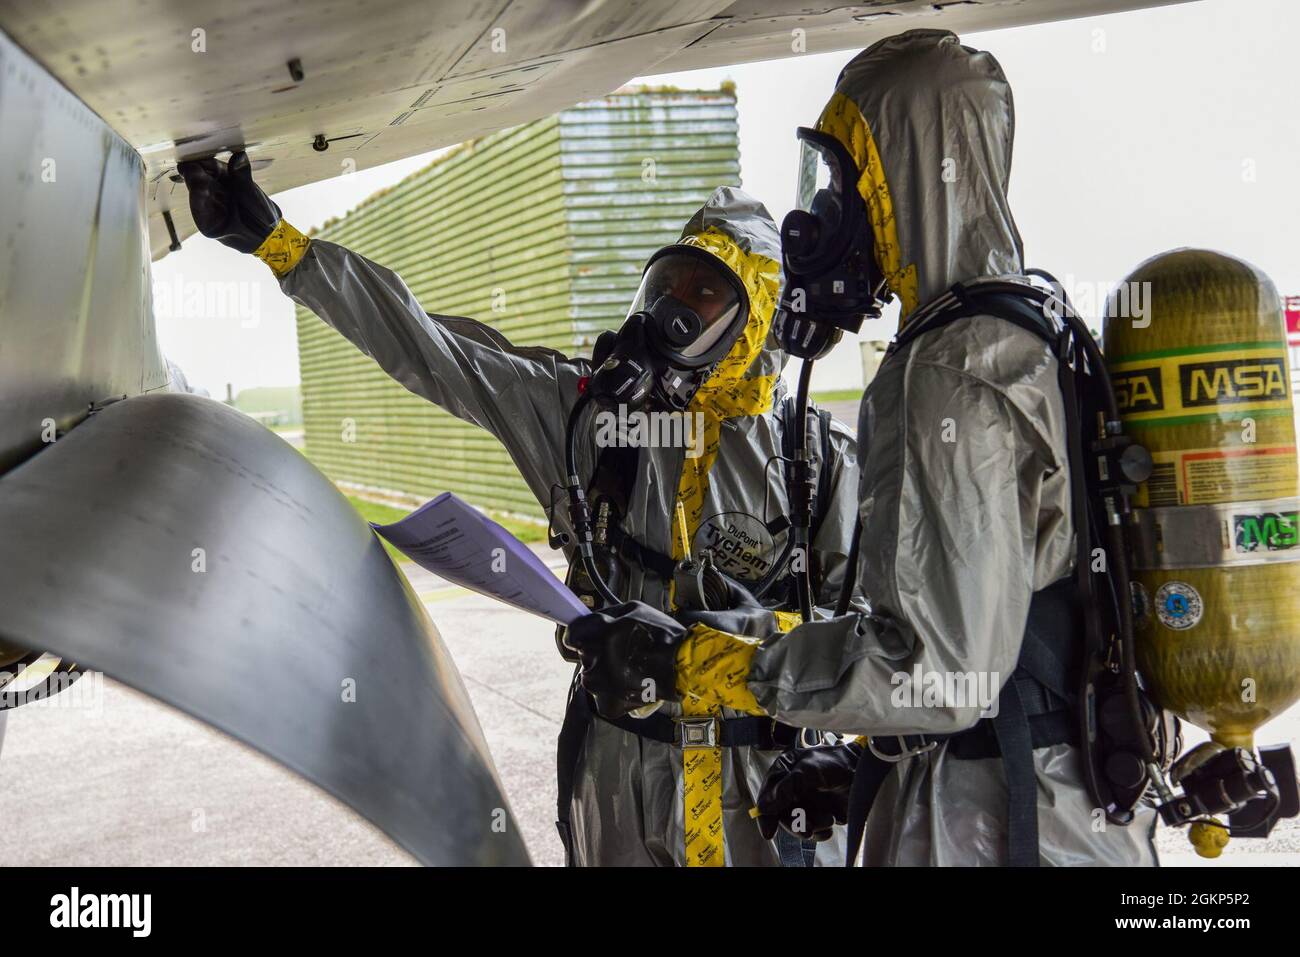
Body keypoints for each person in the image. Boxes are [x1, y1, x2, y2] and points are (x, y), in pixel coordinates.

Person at [565, 29, 1160, 866]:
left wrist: (708, 660)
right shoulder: (1032, 329)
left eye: (843, 180)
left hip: (989, 824)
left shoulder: (944, 368)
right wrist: (860, 756)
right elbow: (992, 630)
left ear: (904, 173)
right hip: (1056, 799)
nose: (820, 217)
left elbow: (937, 671)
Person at [176, 158, 860, 866]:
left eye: (705, 294)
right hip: (615, 782)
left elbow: (872, 644)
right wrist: (278, 244)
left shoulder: (811, 456)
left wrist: (813, 727)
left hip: (754, 792)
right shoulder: (591, 418)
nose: (670, 313)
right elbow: (431, 348)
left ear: (756, 319)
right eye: (666, 288)